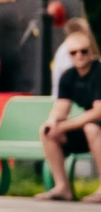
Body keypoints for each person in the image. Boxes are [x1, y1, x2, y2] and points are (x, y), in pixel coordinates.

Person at [34, 25, 101, 201]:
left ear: (91, 51)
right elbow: (61, 107)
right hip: (90, 129)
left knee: (91, 129)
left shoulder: (98, 71)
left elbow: (98, 112)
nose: (79, 56)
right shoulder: (68, 76)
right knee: (47, 132)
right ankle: (62, 187)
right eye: (73, 53)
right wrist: (53, 122)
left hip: (97, 127)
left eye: (83, 51)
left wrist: (66, 125)